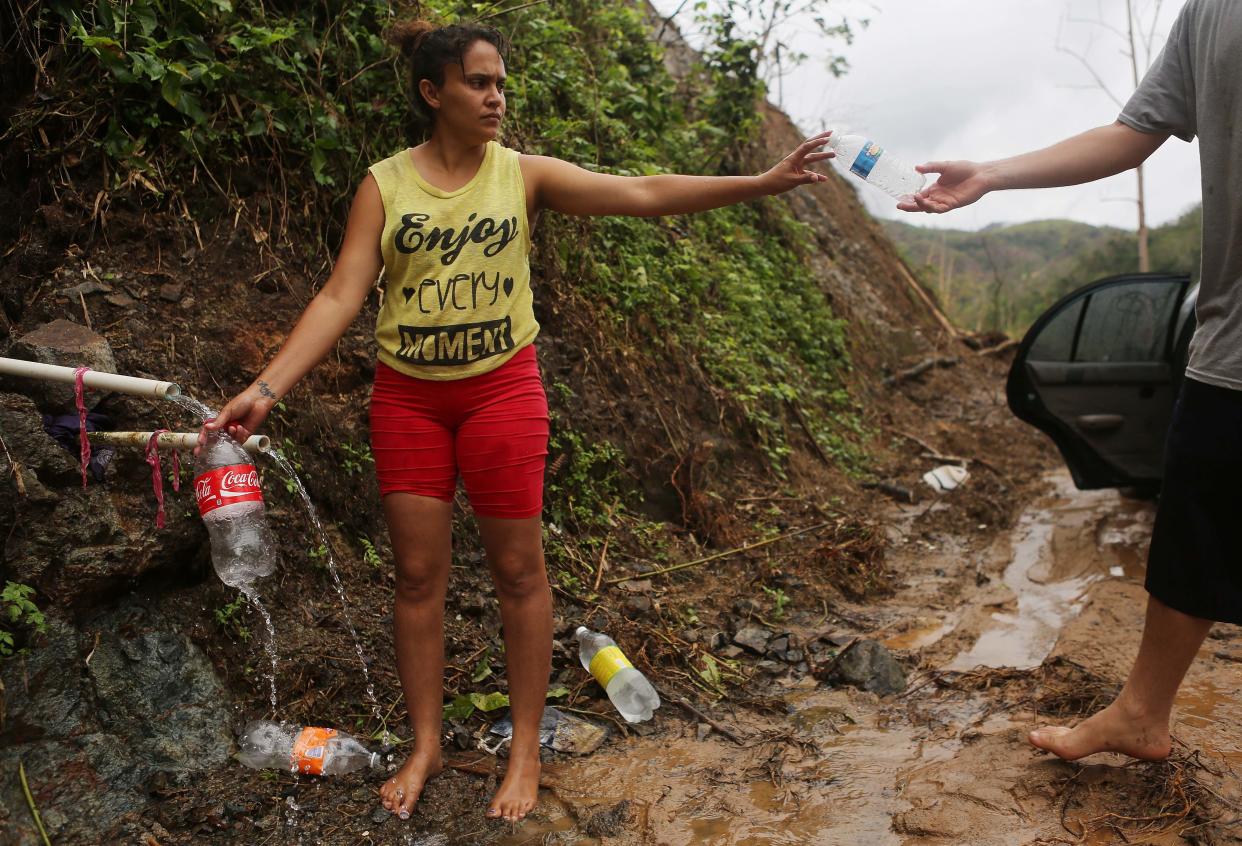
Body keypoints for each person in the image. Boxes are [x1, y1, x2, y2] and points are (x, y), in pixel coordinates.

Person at [202, 19, 833, 823]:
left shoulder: (522, 175)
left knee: (519, 574)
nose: (496, 97)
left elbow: (640, 192)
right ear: (433, 93)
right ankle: (426, 743)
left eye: (500, 82)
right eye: (478, 82)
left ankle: (526, 748)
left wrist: (762, 181)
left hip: (503, 394)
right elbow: (340, 294)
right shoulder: (385, 185)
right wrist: (267, 387)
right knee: (418, 579)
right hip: (410, 401)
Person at [900, 0, 1241, 763]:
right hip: (1232, 342)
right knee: (1192, 529)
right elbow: (1132, 133)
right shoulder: (1208, 12)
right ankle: (1141, 714)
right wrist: (991, 173)